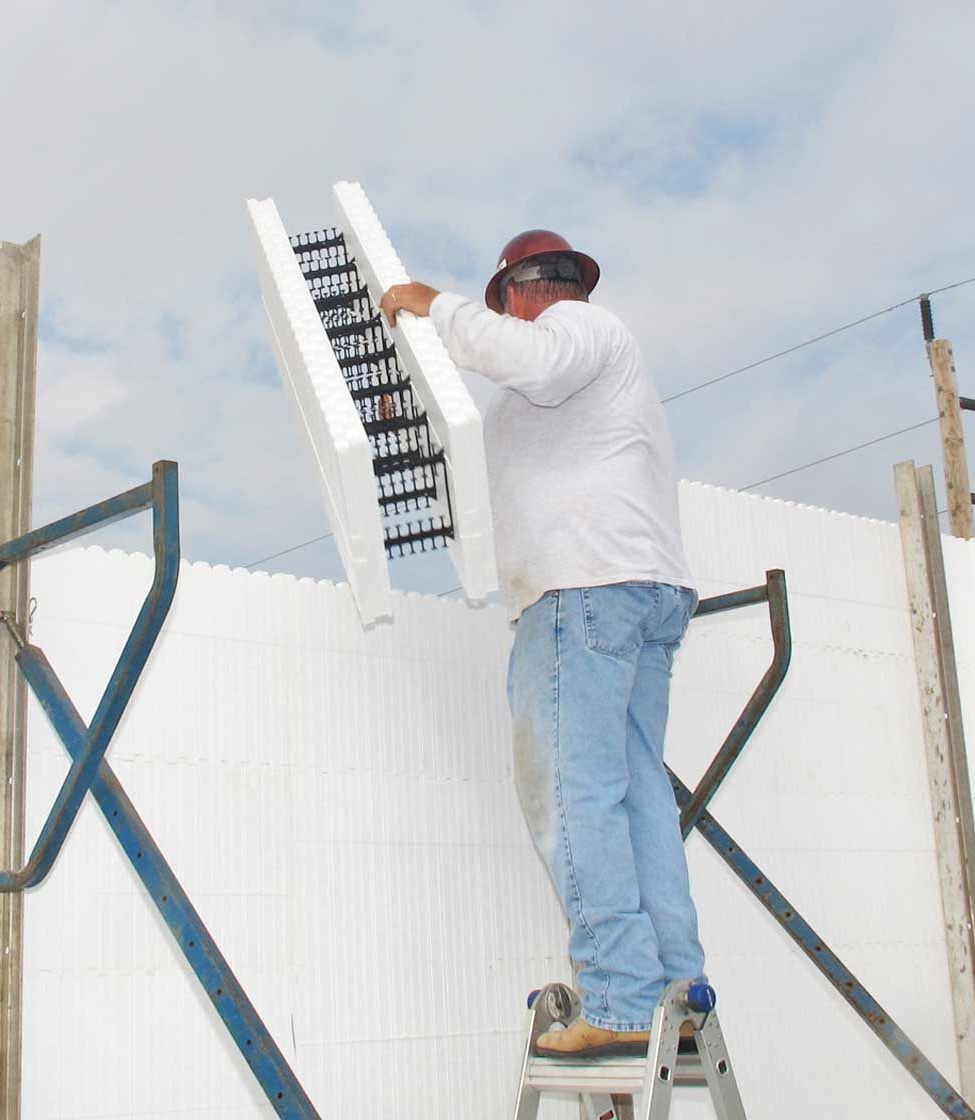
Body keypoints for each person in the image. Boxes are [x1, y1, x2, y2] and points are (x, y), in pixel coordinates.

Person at [381, 230, 702, 1059]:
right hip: (630, 590)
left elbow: (538, 360)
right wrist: (408, 419)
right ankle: (675, 989)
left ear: (525, 292)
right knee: (634, 798)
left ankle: (625, 997)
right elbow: (477, 488)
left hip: (586, 590)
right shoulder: (538, 409)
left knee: (568, 793)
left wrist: (435, 305)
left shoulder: (585, 332)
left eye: (504, 305)